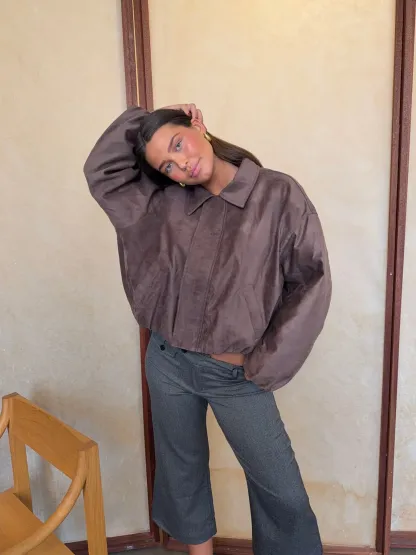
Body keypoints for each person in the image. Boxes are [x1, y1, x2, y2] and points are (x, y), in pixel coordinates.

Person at [84, 103, 331, 555]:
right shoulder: (163, 202)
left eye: (178, 144)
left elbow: (310, 281)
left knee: (284, 495)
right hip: (168, 363)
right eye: (167, 165)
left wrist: (263, 364)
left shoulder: (277, 194)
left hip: (235, 375)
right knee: (182, 471)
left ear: (198, 125)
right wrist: (145, 121)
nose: (180, 164)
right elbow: (103, 173)